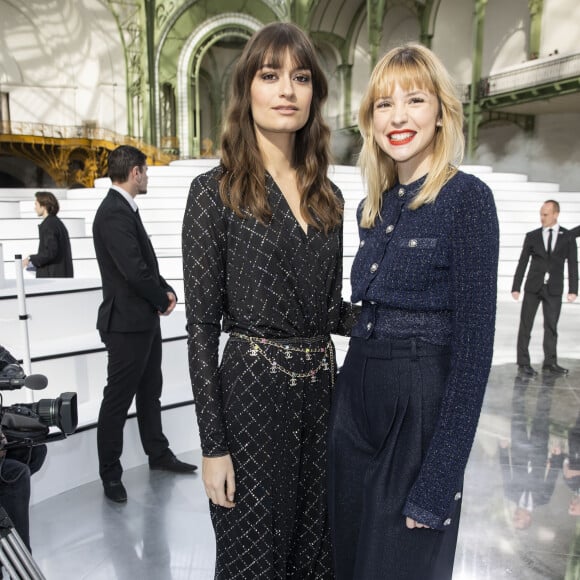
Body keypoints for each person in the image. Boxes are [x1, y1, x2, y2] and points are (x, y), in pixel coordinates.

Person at [182, 22, 357, 579]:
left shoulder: (329, 196)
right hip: (250, 403)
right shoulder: (214, 191)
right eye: (271, 74)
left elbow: (332, 311)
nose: (287, 89)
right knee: (252, 564)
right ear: (247, 89)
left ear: (315, 94)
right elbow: (201, 329)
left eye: (301, 77)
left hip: (321, 401)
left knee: (315, 559)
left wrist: (406, 315)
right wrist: (213, 447)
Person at [327, 44, 499, 580]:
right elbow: (372, 316)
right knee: (347, 565)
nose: (397, 117)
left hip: (419, 404)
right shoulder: (371, 208)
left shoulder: (467, 199)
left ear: (441, 112)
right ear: (369, 121)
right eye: (383, 105)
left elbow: (474, 354)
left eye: (414, 99)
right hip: (354, 396)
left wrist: (439, 478)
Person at [93, 145, 197, 504]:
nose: (147, 177)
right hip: (125, 325)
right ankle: (110, 475)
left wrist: (164, 289)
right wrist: (161, 297)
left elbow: (144, 267)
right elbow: (134, 272)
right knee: (117, 401)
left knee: (150, 391)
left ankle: (158, 454)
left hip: (142, 321)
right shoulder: (113, 214)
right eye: (146, 171)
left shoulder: (124, 210)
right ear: (135, 172)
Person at [512, 200, 578, 376]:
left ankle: (550, 362)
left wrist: (573, 289)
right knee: (526, 325)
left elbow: (573, 264)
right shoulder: (532, 236)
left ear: (556, 214)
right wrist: (516, 286)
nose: (542, 217)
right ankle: (523, 362)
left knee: (551, 326)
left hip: (554, 288)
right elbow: (523, 262)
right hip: (533, 287)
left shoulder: (567, 237)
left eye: (546, 214)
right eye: (541, 213)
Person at [22, 191, 73, 277]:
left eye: (36, 204)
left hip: (52, 277)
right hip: (61, 275)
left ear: (44, 206)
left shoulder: (49, 225)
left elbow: (50, 252)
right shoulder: (57, 223)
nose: (35, 208)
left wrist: (30, 259)